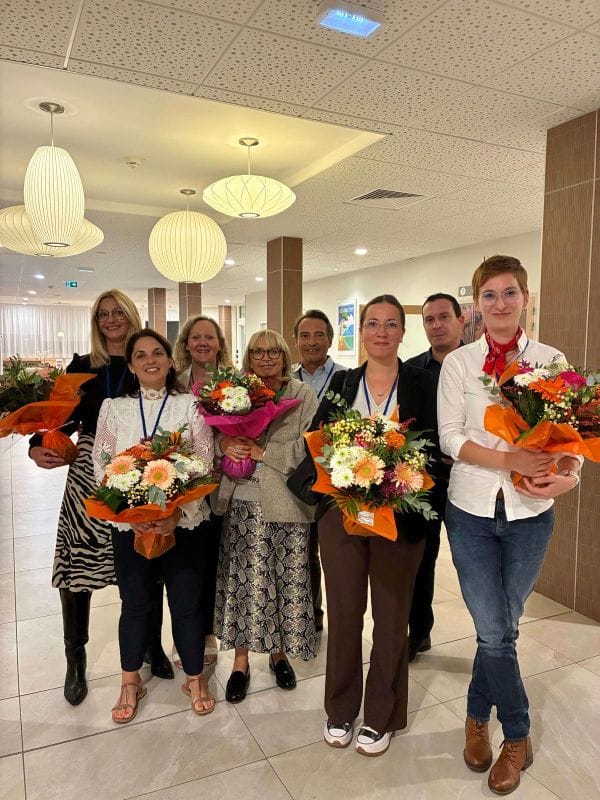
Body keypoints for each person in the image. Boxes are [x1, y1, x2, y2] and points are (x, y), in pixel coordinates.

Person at [438, 255, 582, 794]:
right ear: (478, 304)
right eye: (490, 295)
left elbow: (572, 436)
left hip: (530, 515)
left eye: (510, 293)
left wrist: (568, 476)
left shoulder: (551, 359)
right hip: (472, 511)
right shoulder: (460, 364)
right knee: (497, 628)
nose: (500, 303)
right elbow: (450, 435)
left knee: (498, 627)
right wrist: (508, 462)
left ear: (527, 299)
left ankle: (477, 714)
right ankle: (514, 735)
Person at [28, 290, 172, 706]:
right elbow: (54, 420)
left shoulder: (146, 361)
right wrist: (37, 446)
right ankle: (75, 659)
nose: (111, 319)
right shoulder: (79, 368)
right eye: (102, 314)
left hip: (141, 472)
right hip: (88, 476)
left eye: (118, 312)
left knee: (148, 562)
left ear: (131, 315)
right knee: (77, 572)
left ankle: (150, 646)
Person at [310, 294, 438, 756]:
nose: (381, 332)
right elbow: (318, 445)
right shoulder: (343, 382)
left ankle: (381, 715)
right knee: (345, 615)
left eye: (391, 324)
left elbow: (435, 448)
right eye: (372, 324)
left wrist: (394, 478)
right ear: (360, 332)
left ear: (404, 332)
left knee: (390, 619)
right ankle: (340, 709)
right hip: (343, 517)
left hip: (400, 520)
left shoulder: (422, 382)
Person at [92, 329, 215, 723]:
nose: (150, 360)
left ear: (169, 360)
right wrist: (133, 515)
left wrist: (177, 514)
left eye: (158, 353)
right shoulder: (114, 408)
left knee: (186, 604)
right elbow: (102, 464)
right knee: (136, 604)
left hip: (183, 525)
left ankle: (194, 677)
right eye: (141, 355)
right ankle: (130, 681)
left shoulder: (190, 405)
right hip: (131, 529)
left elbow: (204, 463)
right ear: (130, 365)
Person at [213, 329, 318, 703]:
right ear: (248, 357)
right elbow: (209, 436)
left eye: (275, 350)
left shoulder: (301, 394)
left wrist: (263, 451)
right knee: (244, 583)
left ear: (285, 355)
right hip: (241, 498)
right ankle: (240, 662)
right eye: (259, 351)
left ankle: (279, 654)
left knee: (284, 580)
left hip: (286, 502)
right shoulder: (231, 392)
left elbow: (310, 445)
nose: (267, 357)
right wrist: (227, 442)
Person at [405, 293, 464, 661]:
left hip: (467, 479)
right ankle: (418, 632)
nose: (437, 325)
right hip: (423, 483)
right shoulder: (411, 370)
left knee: (470, 561)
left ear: (461, 320)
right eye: (429, 319)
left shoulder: (478, 366)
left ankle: (489, 640)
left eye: (444, 317)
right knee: (421, 560)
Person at [173, 314, 233, 668]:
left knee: (213, 560)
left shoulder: (236, 383)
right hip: (185, 486)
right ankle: (189, 634)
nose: (202, 343)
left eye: (209, 337)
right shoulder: (176, 382)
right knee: (187, 563)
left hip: (224, 483)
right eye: (195, 337)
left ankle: (209, 633)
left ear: (219, 344)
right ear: (186, 344)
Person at [291, 309, 344, 633]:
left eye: (319, 335)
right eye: (305, 336)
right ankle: (309, 614)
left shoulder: (346, 378)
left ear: (330, 340)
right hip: (298, 475)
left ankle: (340, 616)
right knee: (304, 550)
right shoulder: (287, 381)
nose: (312, 342)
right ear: (296, 341)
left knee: (337, 554)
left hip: (339, 478)